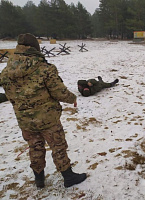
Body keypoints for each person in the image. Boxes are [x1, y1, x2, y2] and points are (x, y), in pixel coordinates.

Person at [0, 33, 86, 188]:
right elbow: (58, 92)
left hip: (25, 120)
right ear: (35, 48)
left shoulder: (6, 71)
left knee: (35, 147)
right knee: (58, 146)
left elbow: (9, 94)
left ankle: (39, 179)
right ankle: (68, 177)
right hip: (47, 119)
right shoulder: (44, 68)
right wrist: (72, 98)